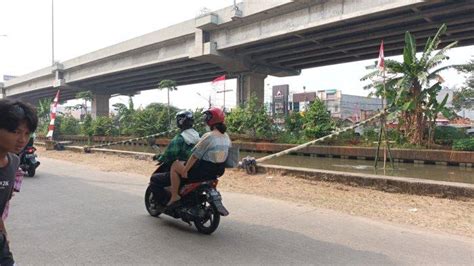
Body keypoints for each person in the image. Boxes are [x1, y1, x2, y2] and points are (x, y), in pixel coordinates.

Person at [167, 107, 231, 206]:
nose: (205, 122)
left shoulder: (209, 136)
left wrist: (185, 170)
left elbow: (195, 156)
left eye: (206, 119)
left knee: (175, 165)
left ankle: (174, 195)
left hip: (202, 171)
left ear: (210, 120)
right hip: (217, 172)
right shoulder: (226, 136)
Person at [0, 99, 38, 265]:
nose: (22, 139)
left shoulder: (14, 163)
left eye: (27, 133)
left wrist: (4, 236)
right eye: (16, 131)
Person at [150, 111, 200, 187]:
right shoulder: (199, 135)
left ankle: (173, 196)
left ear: (180, 122)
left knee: (155, 178)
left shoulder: (179, 138)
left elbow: (170, 154)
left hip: (183, 167)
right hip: (196, 167)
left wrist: (159, 157)